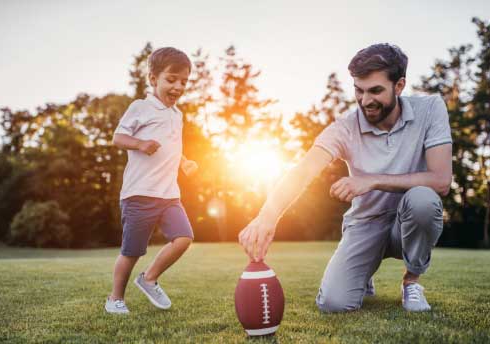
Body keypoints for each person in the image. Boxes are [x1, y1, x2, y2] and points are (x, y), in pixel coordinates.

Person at [239, 43, 452, 312]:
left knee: (424, 200)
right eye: (358, 90)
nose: (365, 101)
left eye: (375, 91)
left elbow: (441, 180)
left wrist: (372, 180)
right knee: (334, 303)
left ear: (399, 86)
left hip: (408, 221)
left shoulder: (430, 109)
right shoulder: (344, 128)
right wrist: (267, 216)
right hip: (365, 223)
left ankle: (411, 282)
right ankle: (364, 275)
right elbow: (303, 171)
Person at [105, 47, 198, 314]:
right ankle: (115, 298)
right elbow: (118, 138)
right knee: (132, 252)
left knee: (184, 238)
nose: (178, 86)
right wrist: (140, 143)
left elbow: (172, 147)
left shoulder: (177, 115)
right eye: (172, 79)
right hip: (139, 194)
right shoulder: (141, 107)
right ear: (153, 79)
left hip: (169, 194)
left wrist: (185, 162)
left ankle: (148, 278)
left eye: (184, 81)